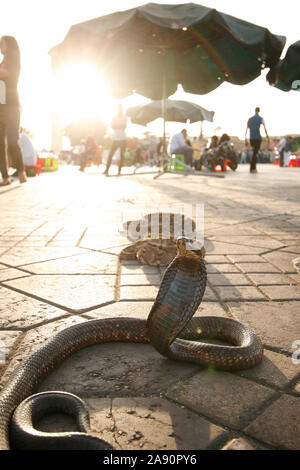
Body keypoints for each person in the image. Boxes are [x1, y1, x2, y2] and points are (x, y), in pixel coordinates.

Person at [0, 36, 26, 185]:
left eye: (1, 43)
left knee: (12, 141)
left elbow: (3, 74)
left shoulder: (14, 62)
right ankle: (5, 177)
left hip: (12, 107)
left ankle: (21, 171)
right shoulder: (2, 63)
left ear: (8, 45)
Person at [104, 104, 127, 176]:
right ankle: (107, 169)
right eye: (119, 109)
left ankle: (119, 170)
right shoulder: (114, 118)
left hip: (123, 138)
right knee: (111, 154)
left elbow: (124, 126)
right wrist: (118, 126)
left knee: (122, 155)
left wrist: (117, 126)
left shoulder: (124, 117)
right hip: (115, 138)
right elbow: (112, 126)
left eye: (121, 108)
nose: (120, 110)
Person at [245, 107, 270, 174]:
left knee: (254, 152)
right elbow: (265, 128)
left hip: (251, 138)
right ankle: (253, 168)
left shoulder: (250, 119)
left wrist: (245, 139)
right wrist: (267, 137)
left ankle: (253, 167)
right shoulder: (261, 119)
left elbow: (247, 129)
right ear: (259, 111)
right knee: (255, 153)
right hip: (257, 138)